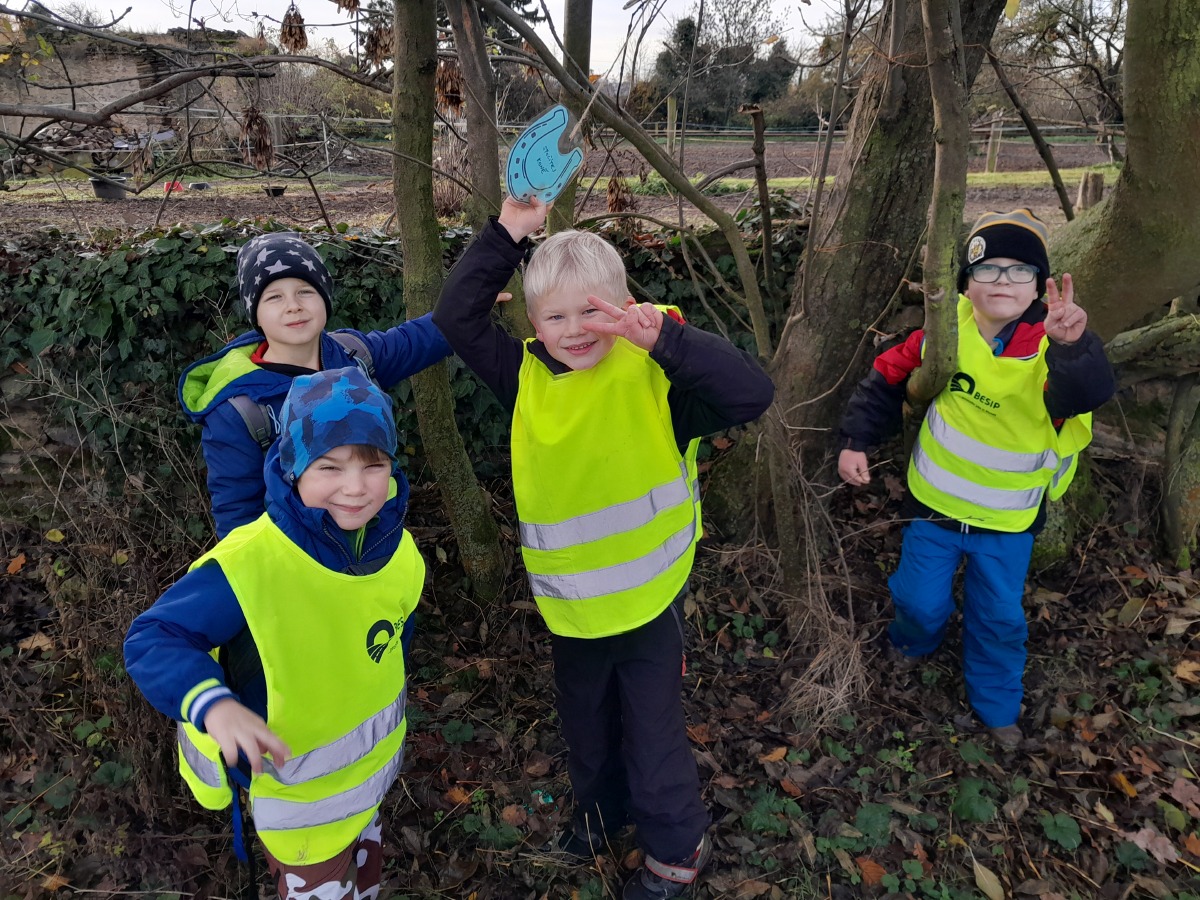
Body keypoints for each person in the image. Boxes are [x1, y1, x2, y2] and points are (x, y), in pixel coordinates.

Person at [432, 197, 774, 899]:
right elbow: (455, 317)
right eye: (555, 317)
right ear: (533, 324)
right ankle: (597, 821)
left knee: (652, 735)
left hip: (649, 600)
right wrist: (508, 232)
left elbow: (752, 394)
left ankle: (676, 850)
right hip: (573, 608)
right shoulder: (523, 376)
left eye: (591, 311)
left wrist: (666, 342)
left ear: (623, 307)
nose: (575, 330)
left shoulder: (655, 375)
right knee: (586, 726)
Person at [126, 366, 425, 899]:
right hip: (298, 817)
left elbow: (390, 642)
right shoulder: (253, 564)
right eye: (329, 466)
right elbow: (155, 637)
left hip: (366, 789)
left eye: (373, 464)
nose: (355, 487)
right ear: (293, 468)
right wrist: (214, 705)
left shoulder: (397, 549)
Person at [836, 209, 1116, 750]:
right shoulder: (945, 332)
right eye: (988, 269)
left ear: (1038, 285)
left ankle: (996, 705)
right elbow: (887, 375)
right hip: (934, 509)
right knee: (919, 602)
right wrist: (855, 440)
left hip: (1007, 524)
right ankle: (910, 644)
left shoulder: (1050, 343)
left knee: (999, 619)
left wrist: (1072, 347)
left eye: (1019, 270)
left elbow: (1085, 394)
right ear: (967, 283)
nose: (1002, 281)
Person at [179, 231, 451, 538]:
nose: (293, 306)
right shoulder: (240, 409)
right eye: (274, 297)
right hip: (297, 556)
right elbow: (238, 516)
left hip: (371, 546)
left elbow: (426, 336)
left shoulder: (353, 354)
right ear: (256, 314)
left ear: (325, 298)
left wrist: (480, 275)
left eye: (305, 291)